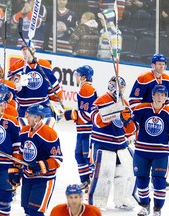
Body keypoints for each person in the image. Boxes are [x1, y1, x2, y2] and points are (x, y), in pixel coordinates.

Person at [89, 76, 137, 210]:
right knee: (104, 173)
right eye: (118, 87)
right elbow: (96, 120)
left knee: (125, 172)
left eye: (122, 87)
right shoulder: (101, 100)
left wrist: (128, 121)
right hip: (103, 143)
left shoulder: (124, 102)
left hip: (120, 144)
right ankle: (98, 202)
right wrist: (114, 109)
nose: (120, 90)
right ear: (111, 86)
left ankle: (122, 199)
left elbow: (129, 129)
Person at [123, 84, 169, 216]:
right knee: (141, 180)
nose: (160, 97)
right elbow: (131, 129)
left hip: (160, 153)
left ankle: (157, 209)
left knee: (159, 181)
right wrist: (126, 119)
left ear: (166, 97)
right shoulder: (141, 109)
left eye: (163, 95)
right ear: (152, 95)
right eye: (157, 94)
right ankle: (145, 206)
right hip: (142, 151)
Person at [9, 104, 63, 216]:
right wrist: (16, 170)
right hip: (28, 178)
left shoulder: (49, 134)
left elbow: (58, 160)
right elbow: (20, 153)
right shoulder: (24, 131)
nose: (27, 118)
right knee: (27, 210)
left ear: (38, 118)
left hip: (44, 180)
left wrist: (41, 165)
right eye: (27, 115)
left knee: (35, 212)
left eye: (29, 116)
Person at [8, 42, 63, 128]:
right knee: (23, 136)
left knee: (46, 134)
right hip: (24, 108)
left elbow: (53, 86)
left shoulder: (45, 65)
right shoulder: (16, 67)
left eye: (27, 49)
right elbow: (9, 88)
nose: (25, 52)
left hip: (42, 107)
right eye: (23, 50)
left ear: (33, 50)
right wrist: (17, 82)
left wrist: (58, 106)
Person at [64, 65, 98, 192]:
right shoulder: (84, 88)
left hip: (88, 131)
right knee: (79, 155)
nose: (76, 77)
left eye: (78, 74)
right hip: (82, 130)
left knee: (87, 157)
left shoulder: (87, 90)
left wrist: (72, 114)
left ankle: (91, 183)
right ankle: (85, 181)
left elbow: (88, 114)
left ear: (84, 77)